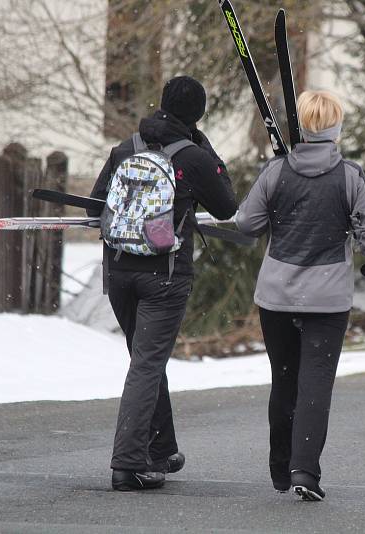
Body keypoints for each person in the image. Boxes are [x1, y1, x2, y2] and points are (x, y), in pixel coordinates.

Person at [236, 90, 365, 501]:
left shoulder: (275, 171)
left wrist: (278, 212)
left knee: (285, 380)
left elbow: (245, 223)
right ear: (336, 130)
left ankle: (279, 467)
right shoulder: (349, 176)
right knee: (315, 386)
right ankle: (304, 472)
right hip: (327, 302)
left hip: (276, 296)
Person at [88, 76, 238, 491]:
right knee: (147, 363)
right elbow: (227, 206)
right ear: (198, 115)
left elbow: (97, 202)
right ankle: (128, 464)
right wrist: (207, 151)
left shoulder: (126, 148)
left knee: (146, 359)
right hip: (165, 276)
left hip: (118, 272)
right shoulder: (192, 156)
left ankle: (161, 449)